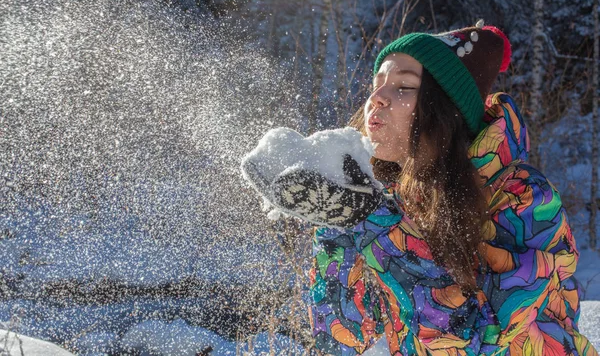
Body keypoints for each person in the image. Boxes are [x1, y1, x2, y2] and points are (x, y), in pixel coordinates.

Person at [242, 22, 599, 355]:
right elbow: (344, 336)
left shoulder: (523, 198)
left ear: (447, 110)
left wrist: (374, 224)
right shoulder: (387, 197)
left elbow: (479, 342)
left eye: (404, 86)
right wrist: (336, 222)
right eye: (376, 84)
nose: (376, 98)